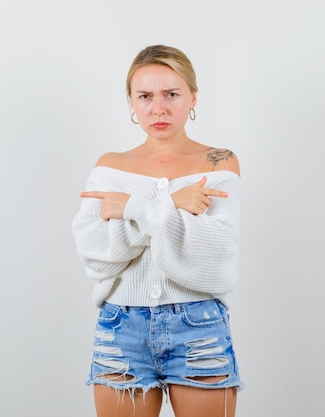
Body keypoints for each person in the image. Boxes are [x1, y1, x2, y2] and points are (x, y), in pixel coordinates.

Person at [71, 45, 243, 417]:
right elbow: (96, 253)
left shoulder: (219, 162)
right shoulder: (109, 167)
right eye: (145, 96)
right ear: (131, 102)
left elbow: (214, 258)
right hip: (121, 328)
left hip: (198, 328)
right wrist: (173, 206)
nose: (158, 108)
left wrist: (130, 207)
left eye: (172, 94)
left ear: (193, 97)